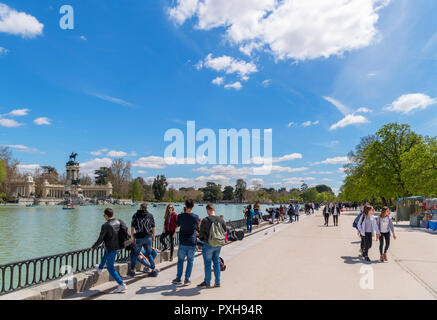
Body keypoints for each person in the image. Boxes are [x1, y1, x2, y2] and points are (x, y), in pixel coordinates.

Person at [91, 208, 127, 293]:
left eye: (104, 215)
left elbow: (100, 239)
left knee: (110, 267)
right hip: (118, 246)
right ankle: (100, 268)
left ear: (106, 216)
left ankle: (121, 284)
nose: (104, 216)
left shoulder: (105, 225)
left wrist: (93, 246)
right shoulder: (118, 221)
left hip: (111, 248)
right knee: (105, 254)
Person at [197, 204, 227, 288]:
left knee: (207, 264)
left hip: (208, 244)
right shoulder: (220, 219)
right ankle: (217, 282)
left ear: (208, 210)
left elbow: (201, 235)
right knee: (216, 262)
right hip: (218, 244)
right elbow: (225, 231)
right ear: (214, 210)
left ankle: (207, 282)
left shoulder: (205, 220)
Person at [172, 199, 200, 285]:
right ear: (193, 206)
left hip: (183, 241)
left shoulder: (180, 216)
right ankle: (187, 279)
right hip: (191, 241)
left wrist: (182, 214)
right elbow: (197, 226)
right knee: (190, 261)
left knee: (180, 261)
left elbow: (178, 224)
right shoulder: (196, 216)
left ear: (185, 205)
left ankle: (178, 278)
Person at [129, 203, 158, 278]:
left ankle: (132, 271)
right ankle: (154, 270)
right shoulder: (150, 215)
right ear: (146, 208)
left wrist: (132, 236)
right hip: (148, 237)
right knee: (149, 254)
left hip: (139, 237)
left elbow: (132, 227)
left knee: (135, 254)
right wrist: (154, 236)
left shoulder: (135, 215)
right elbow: (153, 227)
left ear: (140, 207)